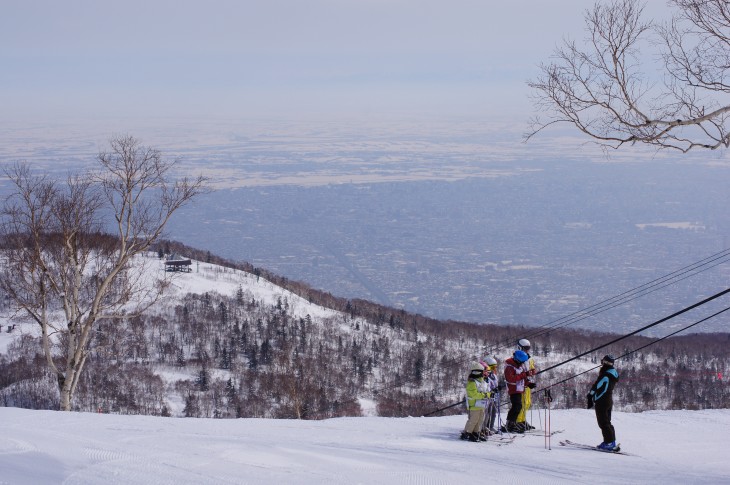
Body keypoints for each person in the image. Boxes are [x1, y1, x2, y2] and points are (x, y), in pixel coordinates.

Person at [587, 354, 620, 451]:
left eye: (603, 362)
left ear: (604, 363)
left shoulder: (605, 375)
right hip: (608, 400)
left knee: (603, 423)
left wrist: (590, 396)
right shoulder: (613, 373)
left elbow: (597, 386)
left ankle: (609, 443)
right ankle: (611, 441)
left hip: (602, 401)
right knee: (607, 422)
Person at [503, 350, 534, 433]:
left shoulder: (519, 366)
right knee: (517, 406)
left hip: (519, 389)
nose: (523, 363)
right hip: (513, 389)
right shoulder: (510, 367)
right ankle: (510, 424)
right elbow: (511, 378)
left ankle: (512, 423)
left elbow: (522, 378)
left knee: (518, 406)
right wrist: (524, 375)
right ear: (518, 360)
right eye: (522, 362)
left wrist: (528, 384)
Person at [461, 362, 489, 442]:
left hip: (481, 404)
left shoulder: (482, 381)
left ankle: (476, 432)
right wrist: (485, 395)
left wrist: (490, 393)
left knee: (480, 420)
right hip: (474, 404)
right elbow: (474, 394)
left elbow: (485, 390)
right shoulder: (472, 382)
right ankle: (467, 433)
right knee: (473, 419)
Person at [516, 338, 537, 431]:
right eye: (525, 348)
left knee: (527, 403)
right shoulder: (518, 357)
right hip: (521, 383)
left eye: (528, 348)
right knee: (521, 403)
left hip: (528, 382)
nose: (527, 350)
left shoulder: (530, 358)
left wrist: (532, 371)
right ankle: (518, 421)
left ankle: (523, 420)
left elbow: (532, 368)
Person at [480, 356, 502, 437]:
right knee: (487, 413)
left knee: (494, 412)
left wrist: (497, 387)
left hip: (495, 396)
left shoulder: (494, 375)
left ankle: (491, 426)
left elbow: (495, 384)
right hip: (488, 396)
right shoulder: (485, 375)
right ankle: (484, 427)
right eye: (492, 367)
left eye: (495, 367)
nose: (494, 369)